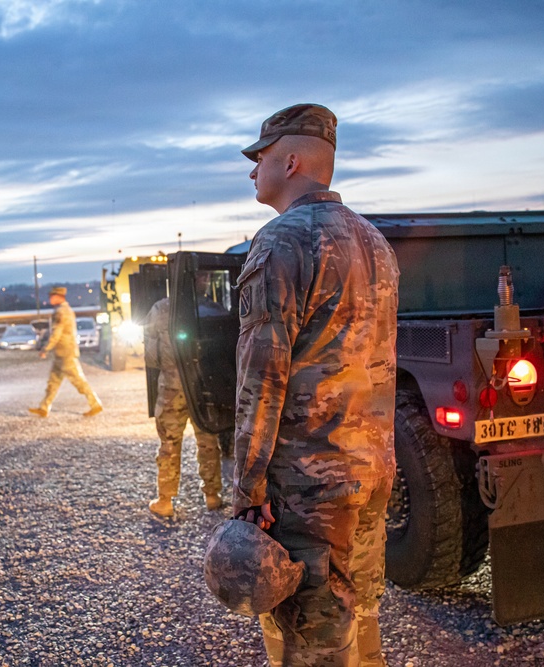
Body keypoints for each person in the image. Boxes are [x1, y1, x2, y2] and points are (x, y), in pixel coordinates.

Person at [231, 103, 399, 667]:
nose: (253, 170)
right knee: (361, 620)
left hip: (308, 489)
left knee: (313, 641)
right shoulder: (374, 242)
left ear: (291, 163)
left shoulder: (281, 243)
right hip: (368, 472)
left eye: (261, 158)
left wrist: (249, 489)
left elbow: (262, 377)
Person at [144, 294, 223, 518]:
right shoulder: (212, 308)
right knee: (208, 441)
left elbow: (151, 357)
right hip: (203, 388)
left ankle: (165, 500)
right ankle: (212, 495)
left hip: (171, 389)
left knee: (169, 444)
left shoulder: (160, 308)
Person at [28, 286, 103, 418]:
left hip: (66, 353)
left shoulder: (61, 312)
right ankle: (44, 407)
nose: (50, 299)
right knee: (53, 382)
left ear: (58, 297)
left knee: (79, 381)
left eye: (52, 297)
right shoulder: (66, 310)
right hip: (62, 353)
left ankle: (95, 404)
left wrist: (46, 348)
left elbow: (56, 333)